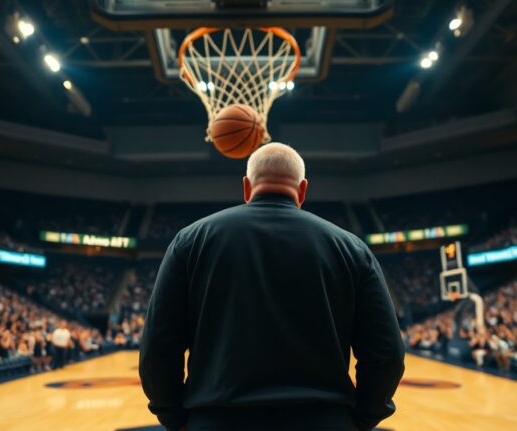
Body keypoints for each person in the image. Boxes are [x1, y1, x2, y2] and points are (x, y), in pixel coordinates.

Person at [139, 143, 405, 431]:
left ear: (246, 187)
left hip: (216, 421)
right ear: (303, 190)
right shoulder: (352, 249)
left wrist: (174, 419)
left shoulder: (189, 241)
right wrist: (361, 420)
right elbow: (386, 353)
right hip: (323, 421)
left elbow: (158, 347)